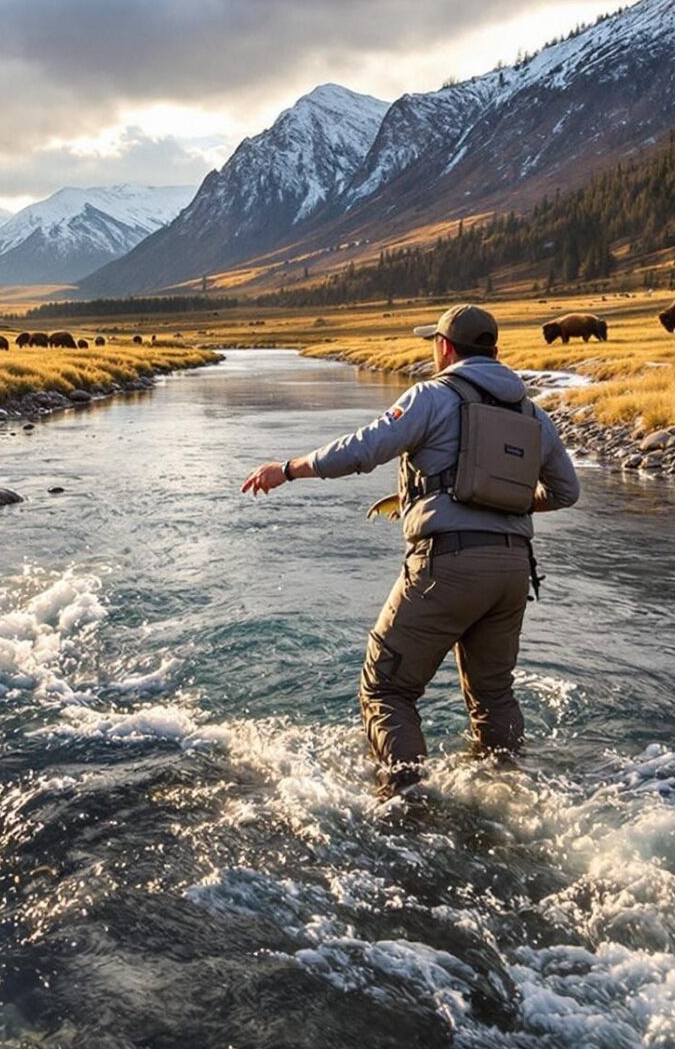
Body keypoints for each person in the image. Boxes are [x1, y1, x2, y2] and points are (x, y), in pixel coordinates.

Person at [239, 304, 580, 795]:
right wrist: (500, 499)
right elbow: (566, 492)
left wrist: (290, 468)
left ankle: (406, 809)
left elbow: (364, 449)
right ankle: (509, 797)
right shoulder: (533, 413)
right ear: (495, 351)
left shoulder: (432, 396)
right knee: (494, 694)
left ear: (444, 347)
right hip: (512, 570)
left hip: (449, 564)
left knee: (387, 688)